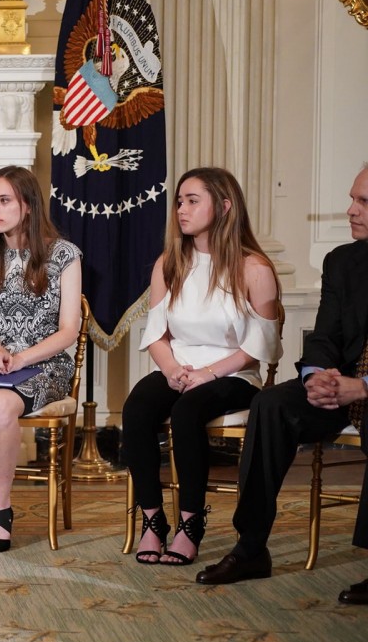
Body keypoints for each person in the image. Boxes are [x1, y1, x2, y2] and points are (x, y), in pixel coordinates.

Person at [197, 165, 368, 602]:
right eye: (353, 198)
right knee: (272, 404)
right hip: (337, 385)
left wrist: (362, 387)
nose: (350, 210)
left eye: (362, 202)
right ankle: (251, 547)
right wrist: (317, 377)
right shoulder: (342, 261)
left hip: (363, 390)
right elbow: (325, 336)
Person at [123, 168, 281, 566]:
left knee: (187, 410)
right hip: (179, 367)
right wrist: (174, 369)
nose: (181, 209)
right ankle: (152, 520)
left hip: (233, 374)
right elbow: (157, 335)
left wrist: (207, 374)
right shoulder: (169, 264)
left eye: (193, 200)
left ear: (224, 206)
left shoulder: (254, 268)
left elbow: (258, 348)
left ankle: (191, 524)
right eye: (179, 201)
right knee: (137, 406)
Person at [0, 166, 82, 554]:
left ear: (27, 206)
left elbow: (68, 331)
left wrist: (20, 357)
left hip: (45, 364)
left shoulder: (64, 255)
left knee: (2, 405)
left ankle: (2, 508)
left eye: (4, 200)